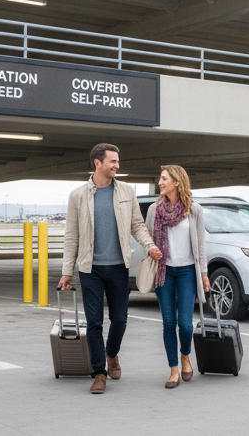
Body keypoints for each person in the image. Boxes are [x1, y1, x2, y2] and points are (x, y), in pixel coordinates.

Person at [58, 143, 162, 395]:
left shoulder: (126, 191)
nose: (117, 165)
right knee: (94, 323)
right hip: (90, 268)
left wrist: (149, 246)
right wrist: (67, 272)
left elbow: (137, 225)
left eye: (117, 161)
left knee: (120, 319)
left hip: (118, 267)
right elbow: (71, 236)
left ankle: (112, 353)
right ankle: (99, 373)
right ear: (98, 163)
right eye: (112, 161)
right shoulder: (78, 195)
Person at [145, 165, 210, 389]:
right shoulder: (154, 209)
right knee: (168, 323)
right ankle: (173, 369)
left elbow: (201, 244)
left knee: (185, 324)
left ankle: (185, 356)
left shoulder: (194, 210)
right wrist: (151, 249)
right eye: (160, 178)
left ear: (177, 182)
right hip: (163, 271)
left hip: (186, 271)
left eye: (164, 179)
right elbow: (147, 238)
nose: (160, 183)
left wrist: (204, 274)